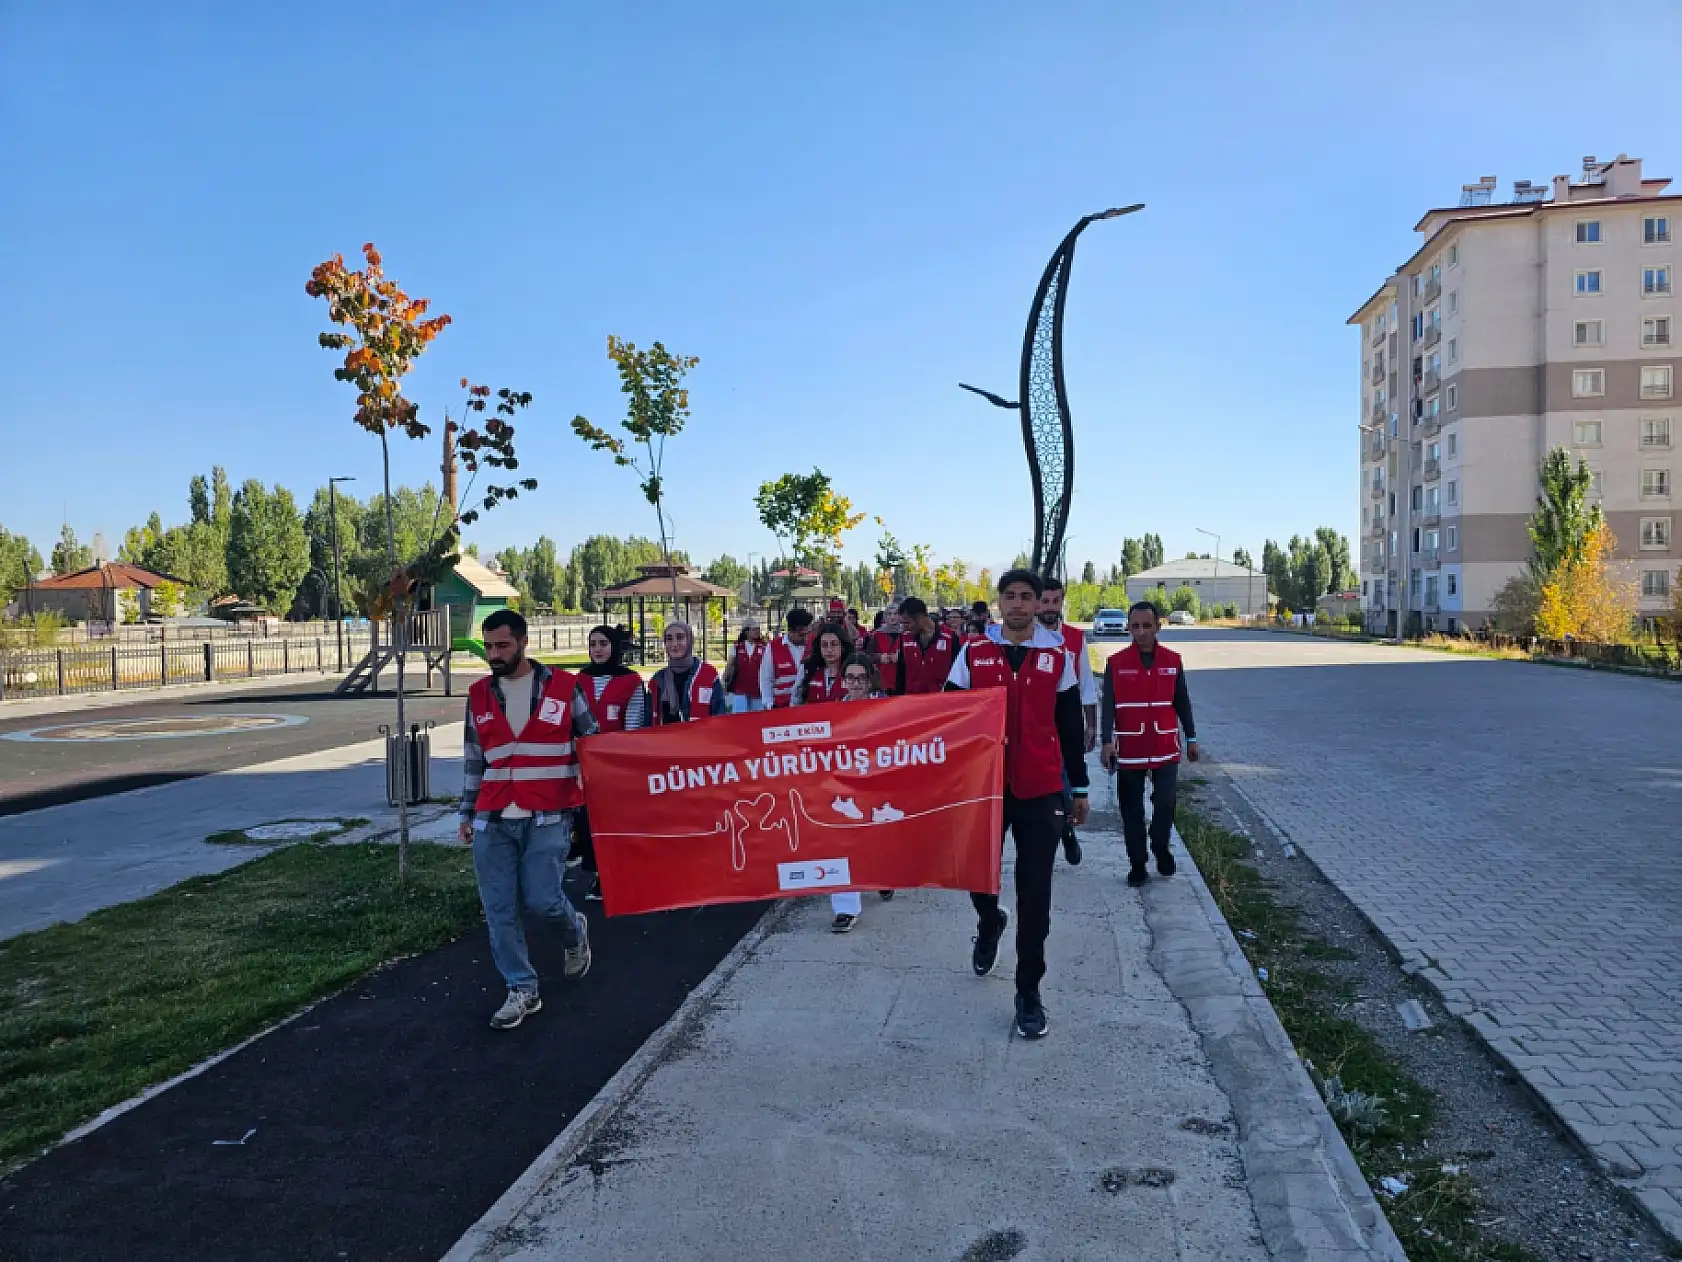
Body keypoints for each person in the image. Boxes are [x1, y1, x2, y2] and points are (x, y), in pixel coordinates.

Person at [945, 569, 1089, 1041]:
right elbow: (949, 717)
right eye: (1010, 596)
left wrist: (1079, 788)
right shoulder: (973, 653)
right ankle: (990, 922)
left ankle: (1029, 991)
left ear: (1039, 603)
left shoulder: (1057, 656)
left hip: (1040, 788)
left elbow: (1070, 728)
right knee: (978, 875)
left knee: (1036, 893)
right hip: (985, 786)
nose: (1019, 604)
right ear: (1000, 602)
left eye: (1027, 596)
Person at [458, 609, 596, 1030]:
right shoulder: (478, 695)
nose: (494, 655)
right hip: (493, 817)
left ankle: (574, 931)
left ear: (523, 643)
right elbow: (474, 761)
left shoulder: (564, 687)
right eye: (488, 647)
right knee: (499, 910)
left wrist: (598, 794)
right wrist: (466, 812)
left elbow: (593, 744)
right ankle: (521, 988)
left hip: (549, 816)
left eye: (502, 646)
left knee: (543, 900)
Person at [1099, 601, 1201, 887]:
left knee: (1165, 802)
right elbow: (1108, 706)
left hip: (1165, 745)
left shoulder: (1172, 660)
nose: (1141, 631)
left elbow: (1182, 702)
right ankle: (1138, 863)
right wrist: (1106, 742)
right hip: (1130, 748)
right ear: (1128, 628)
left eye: (1147, 625)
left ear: (1158, 626)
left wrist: (1192, 738)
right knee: (1131, 809)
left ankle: (1160, 844)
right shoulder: (1116, 663)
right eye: (1135, 626)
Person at [572, 624, 650, 902]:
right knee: (588, 822)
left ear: (614, 646)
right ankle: (598, 874)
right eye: (593, 644)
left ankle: (619, 875)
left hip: (615, 765)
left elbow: (632, 727)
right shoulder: (579, 680)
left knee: (616, 821)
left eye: (603, 643)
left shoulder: (630, 681)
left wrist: (618, 760)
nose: (597, 649)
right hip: (584, 765)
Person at [1037, 576, 1099, 867]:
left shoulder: (1074, 639)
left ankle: (1066, 832)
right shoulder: (1026, 637)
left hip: (1065, 725)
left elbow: (1086, 684)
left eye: (1056, 601)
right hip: (1035, 725)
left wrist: (1091, 725)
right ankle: (1062, 831)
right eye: (1045, 601)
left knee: (1063, 784)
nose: (1051, 607)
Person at [841, 652, 897, 912]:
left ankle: (883, 875)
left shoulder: (884, 708)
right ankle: (846, 908)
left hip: (878, 781)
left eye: (861, 678)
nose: (855, 683)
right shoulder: (833, 711)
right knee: (845, 841)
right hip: (846, 784)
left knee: (878, 837)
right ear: (843, 681)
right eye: (850, 678)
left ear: (870, 680)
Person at [649, 621, 727, 724]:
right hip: (666, 734)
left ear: (690, 640)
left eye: (680, 637)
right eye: (669, 639)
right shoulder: (658, 679)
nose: (674, 644)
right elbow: (649, 720)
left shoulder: (709, 675)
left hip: (701, 734)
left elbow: (719, 715)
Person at [892, 597, 960, 696]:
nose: (904, 627)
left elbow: (958, 675)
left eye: (907, 623)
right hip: (912, 700)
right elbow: (901, 675)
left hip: (941, 700)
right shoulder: (904, 638)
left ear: (920, 618)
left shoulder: (950, 638)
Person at [760, 607, 814, 709]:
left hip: (807, 706)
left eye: (808, 633)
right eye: (802, 635)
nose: (806, 638)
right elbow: (766, 679)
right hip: (781, 707)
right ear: (790, 630)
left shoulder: (814, 646)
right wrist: (769, 703)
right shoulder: (773, 647)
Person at [794, 624, 850, 707]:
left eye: (834, 644)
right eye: (824, 645)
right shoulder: (807, 668)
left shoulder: (853, 669)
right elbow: (795, 703)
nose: (829, 650)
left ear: (843, 646)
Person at [723, 620, 767, 714]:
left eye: (758, 629)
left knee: (757, 717)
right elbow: (730, 665)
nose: (757, 632)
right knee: (739, 716)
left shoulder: (764, 646)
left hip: (758, 689)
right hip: (740, 688)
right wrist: (725, 682)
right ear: (746, 631)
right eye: (754, 629)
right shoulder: (737, 646)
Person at [862, 605, 902, 693]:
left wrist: (901, 657)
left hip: (901, 680)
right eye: (889, 614)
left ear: (900, 616)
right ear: (885, 617)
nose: (892, 617)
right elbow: (867, 656)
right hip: (882, 681)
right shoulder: (876, 635)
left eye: (895, 614)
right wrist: (879, 657)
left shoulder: (907, 634)